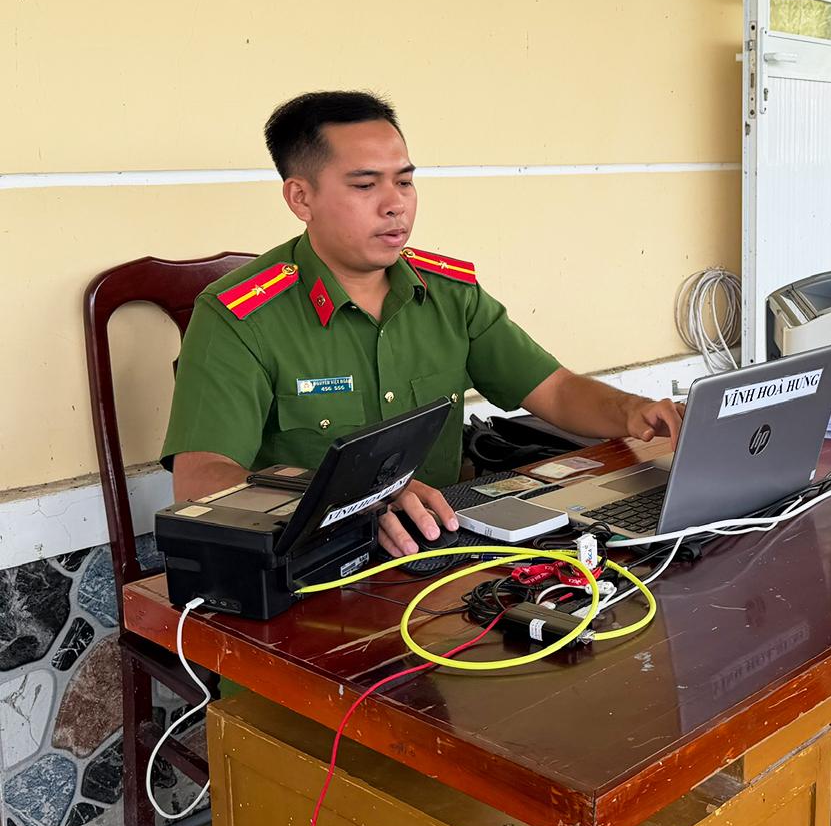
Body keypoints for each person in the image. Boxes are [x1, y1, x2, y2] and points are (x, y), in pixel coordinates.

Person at [163, 91, 683, 557]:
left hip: (443, 544)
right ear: (302, 198)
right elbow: (201, 479)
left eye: (405, 181)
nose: (395, 205)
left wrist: (635, 411)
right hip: (310, 561)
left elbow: (555, 390)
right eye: (365, 184)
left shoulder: (449, 294)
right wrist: (353, 502)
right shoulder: (239, 315)